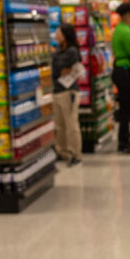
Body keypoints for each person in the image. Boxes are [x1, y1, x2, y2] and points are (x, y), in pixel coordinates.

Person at [111, 2, 130, 154]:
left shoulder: (118, 29)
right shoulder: (126, 31)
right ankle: (124, 142)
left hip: (119, 69)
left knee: (125, 107)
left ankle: (125, 139)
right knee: (127, 108)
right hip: (125, 72)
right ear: (129, 14)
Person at [51, 25, 84, 166]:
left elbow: (60, 65)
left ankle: (75, 154)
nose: (56, 36)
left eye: (58, 34)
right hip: (57, 90)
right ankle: (62, 151)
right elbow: (58, 68)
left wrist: (55, 58)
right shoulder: (60, 50)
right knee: (59, 125)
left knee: (71, 124)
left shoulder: (72, 51)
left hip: (69, 91)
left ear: (66, 35)